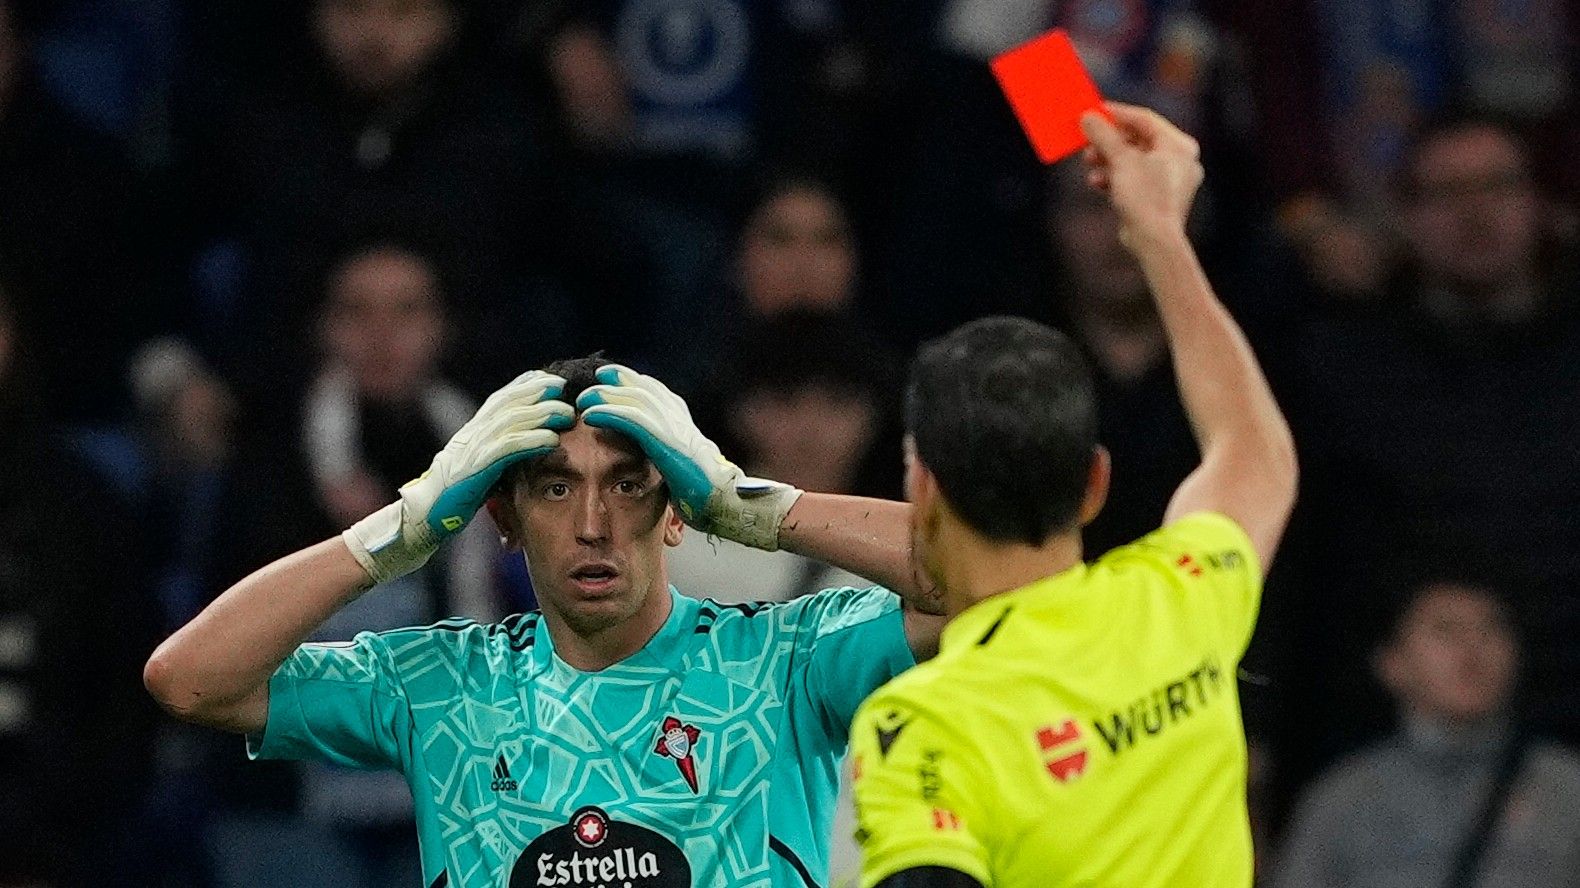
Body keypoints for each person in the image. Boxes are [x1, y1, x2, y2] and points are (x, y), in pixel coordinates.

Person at [146, 355, 945, 887]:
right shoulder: (439, 686)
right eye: (557, 489)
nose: (593, 523)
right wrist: (402, 531)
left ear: (678, 513)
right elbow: (189, 681)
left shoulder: (784, 660)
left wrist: (750, 505)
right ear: (503, 517)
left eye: (630, 485)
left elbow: (981, 580)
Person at [848, 102, 1298, 887]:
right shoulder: (1181, 601)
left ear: (921, 486)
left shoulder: (919, 726)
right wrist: (1158, 231)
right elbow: (1252, 449)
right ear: (1096, 482)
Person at [1271, 578, 1580, 888]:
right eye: (1446, 630)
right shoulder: (1344, 797)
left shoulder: (1566, 787)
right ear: (1391, 663)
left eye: (1491, 629)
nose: (1473, 649)